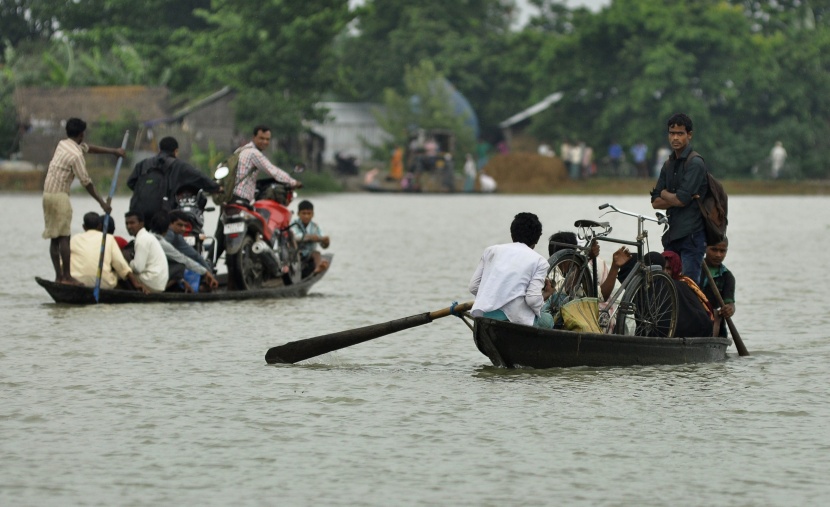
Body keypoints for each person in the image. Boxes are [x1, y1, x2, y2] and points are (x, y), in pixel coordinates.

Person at [42, 117, 124, 285]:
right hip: (59, 197)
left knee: (54, 237)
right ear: (82, 134)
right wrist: (103, 204)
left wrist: (113, 152)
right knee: (64, 237)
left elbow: (90, 148)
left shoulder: (62, 144)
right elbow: (86, 182)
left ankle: (59, 277)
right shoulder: (76, 155)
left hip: (47, 195)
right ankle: (66, 277)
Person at [650, 112, 709, 285]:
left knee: (689, 286)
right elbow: (654, 202)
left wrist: (665, 194)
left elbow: (680, 200)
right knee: (666, 284)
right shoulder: (668, 164)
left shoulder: (696, 163)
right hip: (672, 235)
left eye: (680, 133)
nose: (675, 138)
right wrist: (672, 196)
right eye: (672, 133)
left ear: (689, 135)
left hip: (692, 236)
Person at [469, 212, 554, 328]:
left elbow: (473, 287)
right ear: (537, 239)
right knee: (548, 320)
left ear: (512, 234)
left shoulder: (491, 251)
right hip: (516, 319)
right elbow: (533, 300)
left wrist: (495, 295)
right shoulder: (540, 261)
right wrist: (546, 295)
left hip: (483, 315)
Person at [127, 136, 220, 223]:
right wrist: (216, 188)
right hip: (163, 214)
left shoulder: (143, 164)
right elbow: (200, 177)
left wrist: (147, 192)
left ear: (159, 149)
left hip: (139, 214)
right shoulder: (179, 166)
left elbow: (130, 183)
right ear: (176, 151)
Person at [69, 212, 147, 292]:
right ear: (99, 226)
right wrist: (136, 283)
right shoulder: (108, 239)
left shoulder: (74, 239)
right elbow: (120, 264)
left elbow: (63, 262)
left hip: (77, 282)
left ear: (84, 227)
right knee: (119, 273)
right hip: (103, 284)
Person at [147, 211, 218, 292]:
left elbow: (193, 255)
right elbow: (183, 259)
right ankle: (162, 290)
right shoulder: (167, 237)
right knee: (180, 265)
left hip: (152, 272)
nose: (183, 229)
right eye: (180, 225)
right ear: (169, 225)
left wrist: (207, 272)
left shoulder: (150, 235)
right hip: (156, 274)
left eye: (185, 226)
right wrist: (207, 272)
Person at [662, 251, 715, 337]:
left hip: (685, 328)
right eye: (662, 268)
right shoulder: (653, 284)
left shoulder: (683, 284)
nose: (665, 272)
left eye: (669, 268)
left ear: (675, 268)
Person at [125, 211, 169, 293]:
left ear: (141, 224)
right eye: (127, 223)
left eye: (132, 223)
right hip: (159, 283)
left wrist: (128, 263)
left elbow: (138, 268)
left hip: (152, 281)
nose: (129, 226)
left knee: (123, 270)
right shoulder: (147, 236)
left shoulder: (142, 239)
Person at [700, 238, 736, 338]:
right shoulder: (694, 268)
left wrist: (730, 309)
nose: (718, 255)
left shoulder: (727, 276)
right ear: (705, 248)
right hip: (692, 314)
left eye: (722, 251)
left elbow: (730, 302)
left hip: (713, 322)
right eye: (714, 250)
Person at [289, 200, 330, 275]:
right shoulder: (294, 223)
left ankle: (317, 267)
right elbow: (295, 237)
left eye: (309, 213)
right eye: (303, 213)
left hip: (309, 255)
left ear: (313, 214)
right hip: (295, 254)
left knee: (316, 253)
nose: (306, 216)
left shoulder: (316, 227)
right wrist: (310, 237)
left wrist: (326, 242)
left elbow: (323, 244)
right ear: (298, 214)